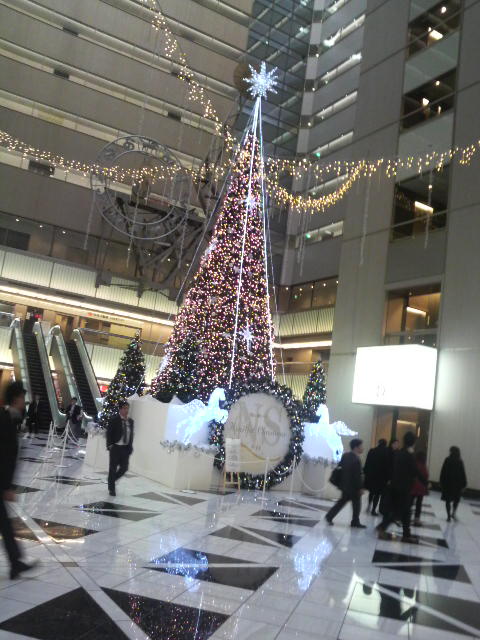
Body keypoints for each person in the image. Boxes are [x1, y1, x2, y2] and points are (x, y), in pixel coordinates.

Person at [0, 381, 38, 579]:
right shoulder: (4, 419)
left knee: (5, 524)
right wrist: (7, 486)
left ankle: (15, 563)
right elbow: (4, 456)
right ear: (16, 398)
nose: (25, 401)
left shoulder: (10, 418)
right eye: (23, 397)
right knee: (4, 524)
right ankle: (15, 563)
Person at [377, 431, 418, 542]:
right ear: (413, 442)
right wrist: (424, 482)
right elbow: (414, 470)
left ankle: (406, 535)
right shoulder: (408, 454)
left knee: (404, 512)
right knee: (400, 511)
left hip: (396, 485)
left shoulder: (399, 453)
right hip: (403, 488)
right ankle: (382, 527)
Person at [326, 438, 366, 528]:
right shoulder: (356, 459)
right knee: (356, 504)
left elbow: (341, 469)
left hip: (345, 484)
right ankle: (355, 521)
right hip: (353, 487)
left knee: (343, 502)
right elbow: (356, 475)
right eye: (361, 446)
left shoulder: (346, 455)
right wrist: (360, 487)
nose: (362, 448)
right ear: (356, 447)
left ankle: (330, 516)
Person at [106, 401, 134, 497]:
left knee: (124, 468)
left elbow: (131, 435)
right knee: (113, 469)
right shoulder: (114, 420)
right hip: (116, 448)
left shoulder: (130, 421)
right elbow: (109, 433)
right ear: (120, 409)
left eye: (127, 408)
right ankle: (112, 489)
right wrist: (110, 445)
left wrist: (130, 447)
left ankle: (111, 480)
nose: (126, 410)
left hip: (125, 449)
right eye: (125, 408)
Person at [440, 446, 467, 522]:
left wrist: (441, 481)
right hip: (457, 485)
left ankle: (448, 516)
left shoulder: (447, 460)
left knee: (448, 501)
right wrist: (464, 484)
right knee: (456, 499)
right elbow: (462, 473)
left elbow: (443, 471)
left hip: (447, 484)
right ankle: (453, 513)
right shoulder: (460, 461)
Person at [364, 438, 389, 516]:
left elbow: (367, 462)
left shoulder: (372, 451)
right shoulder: (386, 452)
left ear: (378, 443)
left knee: (371, 492)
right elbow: (387, 466)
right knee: (377, 494)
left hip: (371, 475)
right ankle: (373, 510)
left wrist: (366, 473)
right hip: (381, 477)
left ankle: (368, 505)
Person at [410, 451, 429, 526]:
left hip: (413, 486)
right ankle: (416, 519)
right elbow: (426, 475)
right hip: (421, 487)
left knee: (410, 503)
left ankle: (406, 517)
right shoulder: (423, 466)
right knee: (419, 504)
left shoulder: (414, 464)